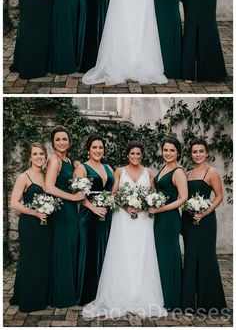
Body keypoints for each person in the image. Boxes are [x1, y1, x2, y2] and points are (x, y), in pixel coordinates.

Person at [82, 141, 167, 319]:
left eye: (138, 154)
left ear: (142, 155)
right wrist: (126, 206)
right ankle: (121, 294)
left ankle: (142, 294)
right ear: (127, 155)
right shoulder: (119, 171)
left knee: (142, 253)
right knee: (123, 253)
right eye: (132, 154)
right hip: (123, 218)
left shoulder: (149, 172)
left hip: (143, 220)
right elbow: (113, 194)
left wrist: (143, 206)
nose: (135, 157)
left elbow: (154, 195)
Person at [182, 138, 227, 314]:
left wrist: (204, 212)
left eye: (201, 151)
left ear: (206, 152)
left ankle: (209, 303)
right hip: (189, 221)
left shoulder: (212, 172)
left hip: (206, 221)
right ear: (191, 154)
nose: (198, 155)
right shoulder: (187, 174)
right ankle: (188, 303)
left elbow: (219, 196)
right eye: (194, 152)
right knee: (191, 257)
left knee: (206, 258)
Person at [45, 126, 84, 308]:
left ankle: (70, 291)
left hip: (70, 211)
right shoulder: (54, 160)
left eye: (64, 139)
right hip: (61, 211)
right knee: (63, 250)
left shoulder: (68, 161)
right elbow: (49, 187)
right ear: (53, 143)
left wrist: (77, 169)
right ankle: (62, 296)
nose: (61, 142)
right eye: (58, 139)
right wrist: (73, 197)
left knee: (71, 248)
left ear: (69, 141)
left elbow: (73, 184)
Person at [10, 143, 51, 312]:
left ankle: (41, 295)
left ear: (45, 156)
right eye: (35, 154)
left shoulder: (46, 176)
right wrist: (35, 213)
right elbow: (13, 203)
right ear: (30, 157)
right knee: (29, 260)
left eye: (41, 153)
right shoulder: (24, 177)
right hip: (30, 224)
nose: (39, 156)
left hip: (46, 224)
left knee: (43, 260)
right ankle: (29, 299)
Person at [75, 134, 114, 305]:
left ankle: (104, 292)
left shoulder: (108, 168)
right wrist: (94, 208)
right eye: (94, 147)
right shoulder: (82, 168)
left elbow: (114, 191)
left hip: (107, 216)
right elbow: (77, 194)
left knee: (106, 253)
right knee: (90, 253)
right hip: (89, 216)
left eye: (100, 147)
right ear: (88, 150)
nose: (98, 150)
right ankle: (88, 294)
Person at [150, 137, 188, 311]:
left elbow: (183, 198)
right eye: (165, 150)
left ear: (178, 153)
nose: (168, 153)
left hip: (169, 218)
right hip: (158, 217)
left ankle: (171, 298)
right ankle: (161, 293)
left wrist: (161, 209)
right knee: (159, 255)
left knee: (168, 255)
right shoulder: (163, 168)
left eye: (172, 150)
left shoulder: (178, 171)